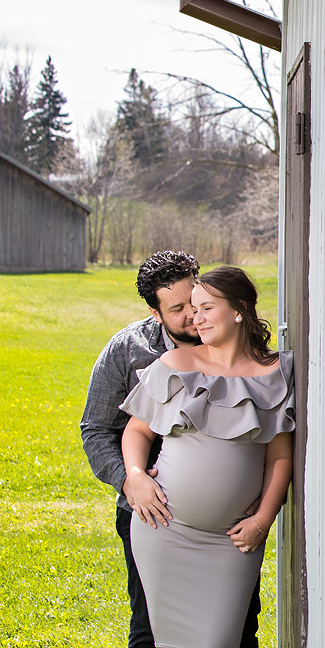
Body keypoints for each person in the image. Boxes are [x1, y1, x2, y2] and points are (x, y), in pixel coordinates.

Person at [81, 252, 263, 648]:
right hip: (153, 517)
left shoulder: (241, 350)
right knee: (151, 629)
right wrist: (131, 481)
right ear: (154, 311)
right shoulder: (128, 351)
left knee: (240, 628)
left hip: (230, 529)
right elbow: (96, 429)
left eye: (196, 303)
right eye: (177, 308)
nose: (192, 317)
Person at [119, 265, 294, 648]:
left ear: (238, 310)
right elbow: (136, 430)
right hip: (165, 532)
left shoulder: (276, 372)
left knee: (220, 641)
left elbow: (279, 458)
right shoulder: (176, 365)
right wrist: (135, 475)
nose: (195, 319)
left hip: (231, 543)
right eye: (192, 310)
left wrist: (264, 519)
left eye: (205, 308)